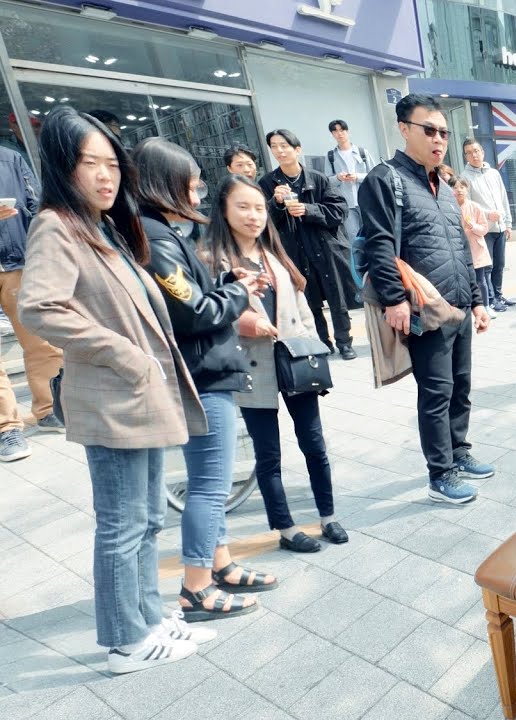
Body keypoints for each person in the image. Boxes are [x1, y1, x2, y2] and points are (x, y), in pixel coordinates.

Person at [19, 107, 209, 673]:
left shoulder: (97, 226)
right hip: (113, 398)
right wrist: (126, 354)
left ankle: (146, 618)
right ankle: (125, 641)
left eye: (112, 164)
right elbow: (39, 306)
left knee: (147, 518)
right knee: (124, 523)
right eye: (89, 164)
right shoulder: (56, 223)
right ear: (62, 165)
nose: (106, 176)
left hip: (134, 397)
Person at [135, 138, 277, 619]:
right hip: (203, 374)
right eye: (191, 187)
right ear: (165, 184)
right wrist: (236, 296)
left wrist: (230, 285)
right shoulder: (155, 239)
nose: (196, 197)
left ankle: (221, 566)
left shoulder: (161, 233)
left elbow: (191, 298)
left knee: (208, 482)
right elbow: (193, 313)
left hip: (206, 370)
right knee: (210, 485)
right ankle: (195, 586)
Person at [360, 93, 494, 504]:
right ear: (404, 129)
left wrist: (476, 300)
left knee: (461, 386)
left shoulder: (444, 184)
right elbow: (378, 245)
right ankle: (440, 474)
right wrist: (394, 300)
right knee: (436, 391)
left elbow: (460, 245)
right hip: (425, 306)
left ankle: (459, 450)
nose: (439, 139)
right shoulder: (386, 180)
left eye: (443, 132)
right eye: (429, 130)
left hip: (458, 305)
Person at [205, 175, 347, 552]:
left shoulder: (274, 255)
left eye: (258, 208)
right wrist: (244, 322)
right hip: (250, 369)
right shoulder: (212, 260)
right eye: (243, 207)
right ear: (223, 209)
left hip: (294, 361)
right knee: (268, 455)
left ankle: (328, 515)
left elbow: (300, 307)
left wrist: (313, 346)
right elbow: (206, 316)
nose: (253, 216)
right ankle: (284, 528)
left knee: (314, 443)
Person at [259, 129, 357, 360]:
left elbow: (339, 210)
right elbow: (263, 221)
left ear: (297, 149)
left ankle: (345, 342)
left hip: (325, 248)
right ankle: (322, 342)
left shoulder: (318, 178)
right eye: (274, 146)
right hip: (294, 251)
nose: (279, 151)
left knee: (337, 299)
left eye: (284, 145)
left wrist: (309, 209)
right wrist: (277, 203)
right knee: (308, 300)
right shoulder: (267, 183)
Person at [0, 143, 64, 458]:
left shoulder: (10, 159)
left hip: (18, 262)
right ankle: (6, 428)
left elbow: (36, 206)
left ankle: (49, 408)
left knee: (41, 340)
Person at [460, 139, 516, 309]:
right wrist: (487, 214)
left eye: (476, 150)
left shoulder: (494, 173)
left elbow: (503, 198)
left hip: (500, 227)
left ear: (482, 152)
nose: (474, 155)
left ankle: (498, 295)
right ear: (465, 156)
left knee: (499, 264)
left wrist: (508, 223)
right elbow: (466, 206)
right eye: (469, 152)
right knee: (487, 266)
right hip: (483, 230)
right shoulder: (465, 178)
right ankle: (490, 300)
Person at [326, 119, 375, 251]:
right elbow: (327, 181)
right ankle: (360, 265)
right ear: (332, 134)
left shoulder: (362, 152)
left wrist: (357, 177)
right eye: (335, 131)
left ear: (348, 132)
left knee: (372, 232)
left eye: (342, 130)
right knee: (353, 237)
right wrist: (338, 177)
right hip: (346, 203)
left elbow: (375, 176)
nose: (339, 134)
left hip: (365, 201)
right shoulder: (331, 156)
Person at [453, 177, 497, 314]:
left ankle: (486, 306)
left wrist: (473, 226)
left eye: (462, 187)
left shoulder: (475, 207)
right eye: (455, 187)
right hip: (458, 250)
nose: (459, 190)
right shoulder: (449, 206)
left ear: (467, 189)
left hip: (476, 249)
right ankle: (466, 309)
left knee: (480, 280)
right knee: (462, 281)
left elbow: (484, 229)